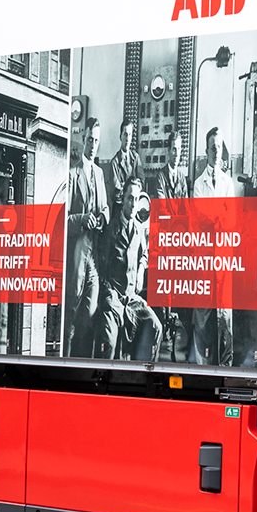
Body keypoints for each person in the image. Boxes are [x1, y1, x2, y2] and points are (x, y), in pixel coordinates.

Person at [96, 176, 163, 361]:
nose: (133, 204)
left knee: (156, 327)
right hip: (114, 297)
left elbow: (144, 254)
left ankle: (146, 373)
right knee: (110, 343)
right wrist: (109, 295)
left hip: (132, 298)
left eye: (136, 198)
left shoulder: (139, 230)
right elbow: (101, 266)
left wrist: (141, 269)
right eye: (130, 198)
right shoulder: (111, 229)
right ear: (123, 199)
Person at [190, 127, 235, 366]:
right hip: (205, 255)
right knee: (203, 312)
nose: (216, 152)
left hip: (223, 255)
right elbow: (201, 218)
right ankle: (203, 365)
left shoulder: (228, 183)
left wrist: (215, 217)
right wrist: (219, 216)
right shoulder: (199, 184)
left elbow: (231, 218)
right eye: (212, 148)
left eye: (219, 147)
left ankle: (225, 365)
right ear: (206, 151)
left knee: (224, 314)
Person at [66, 116, 109, 357]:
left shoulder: (100, 174)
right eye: (90, 140)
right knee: (71, 314)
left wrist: (103, 217)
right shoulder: (72, 173)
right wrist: (82, 219)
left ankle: (80, 362)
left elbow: (106, 208)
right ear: (83, 139)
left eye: (96, 141)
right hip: (76, 256)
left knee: (90, 313)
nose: (93, 145)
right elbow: (62, 220)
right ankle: (66, 360)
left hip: (94, 256)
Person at [150, 130, 190, 361]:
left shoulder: (182, 179)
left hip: (179, 241)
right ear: (167, 151)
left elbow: (186, 210)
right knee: (165, 287)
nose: (176, 154)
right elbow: (164, 211)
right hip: (165, 241)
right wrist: (178, 223)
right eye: (173, 149)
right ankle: (165, 330)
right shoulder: (159, 178)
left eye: (179, 150)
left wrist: (180, 225)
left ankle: (177, 332)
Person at [106, 118, 140, 219]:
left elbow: (141, 182)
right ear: (120, 136)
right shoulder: (114, 162)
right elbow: (115, 193)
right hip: (119, 212)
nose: (127, 138)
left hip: (133, 210)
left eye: (130, 134)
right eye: (125, 134)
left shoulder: (136, 158)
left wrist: (125, 187)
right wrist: (132, 189)